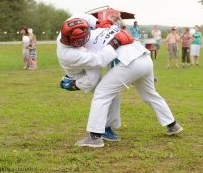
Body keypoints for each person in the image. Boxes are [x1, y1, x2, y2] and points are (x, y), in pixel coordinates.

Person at [75, 18, 183, 148]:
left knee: (101, 93)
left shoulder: (90, 38)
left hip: (128, 63)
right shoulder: (113, 29)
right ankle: (172, 125)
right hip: (145, 59)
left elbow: (95, 62)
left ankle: (95, 137)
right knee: (150, 94)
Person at [57, 14, 134, 141]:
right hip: (79, 70)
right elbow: (99, 60)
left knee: (112, 92)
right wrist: (115, 42)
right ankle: (70, 83)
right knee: (96, 85)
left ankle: (107, 127)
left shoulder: (70, 25)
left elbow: (81, 17)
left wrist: (98, 23)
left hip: (89, 57)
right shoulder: (69, 54)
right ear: (76, 42)